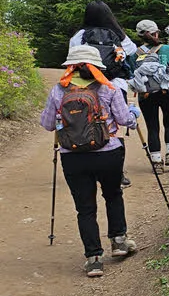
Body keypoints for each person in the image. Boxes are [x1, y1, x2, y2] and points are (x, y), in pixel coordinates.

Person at [40, 44, 141, 278]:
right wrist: (134, 115)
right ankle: (118, 242)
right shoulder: (109, 88)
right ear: (97, 66)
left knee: (85, 208)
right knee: (113, 194)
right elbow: (125, 119)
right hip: (108, 153)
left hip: (72, 157)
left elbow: (46, 124)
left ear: (71, 66)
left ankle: (94, 258)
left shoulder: (59, 90)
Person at [69, 0, 138, 188]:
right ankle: (118, 172)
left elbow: (72, 57)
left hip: (86, 86)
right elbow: (131, 51)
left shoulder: (80, 35)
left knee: (86, 121)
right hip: (115, 85)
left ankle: (87, 162)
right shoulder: (118, 34)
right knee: (114, 126)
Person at [131, 20, 169, 173]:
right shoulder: (167, 49)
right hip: (166, 92)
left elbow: (130, 73)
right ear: (155, 33)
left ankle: (156, 163)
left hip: (146, 94)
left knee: (152, 127)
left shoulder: (134, 54)